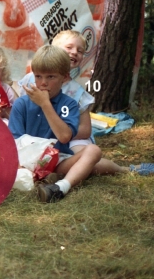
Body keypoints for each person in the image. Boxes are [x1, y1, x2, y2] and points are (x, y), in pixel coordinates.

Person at [19, 30, 153, 176]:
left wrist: (59, 135)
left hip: (72, 138)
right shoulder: (30, 80)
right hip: (36, 136)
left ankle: (125, 170)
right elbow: (19, 111)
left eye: (80, 50)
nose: (75, 52)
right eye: (69, 47)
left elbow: (85, 130)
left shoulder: (77, 93)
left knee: (88, 161)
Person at [9, 45, 102, 202]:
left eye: (50, 77)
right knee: (94, 167)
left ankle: (60, 187)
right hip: (27, 162)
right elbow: (14, 141)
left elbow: (65, 137)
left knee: (94, 151)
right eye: (38, 76)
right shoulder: (22, 104)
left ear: (64, 78)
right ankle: (125, 169)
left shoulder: (69, 104)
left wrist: (46, 104)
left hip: (58, 161)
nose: (43, 83)